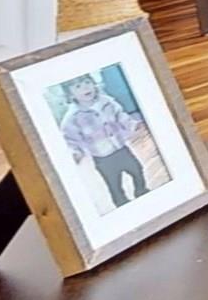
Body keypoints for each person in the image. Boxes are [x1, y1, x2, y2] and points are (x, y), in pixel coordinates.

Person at [57, 74, 149, 207]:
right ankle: (122, 203)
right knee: (114, 184)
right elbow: (71, 139)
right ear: (70, 95)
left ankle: (141, 191)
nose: (85, 88)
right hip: (103, 158)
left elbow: (120, 116)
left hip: (121, 148)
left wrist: (132, 125)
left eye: (87, 82)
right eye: (78, 86)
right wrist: (75, 152)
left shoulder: (107, 102)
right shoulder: (72, 118)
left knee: (137, 169)